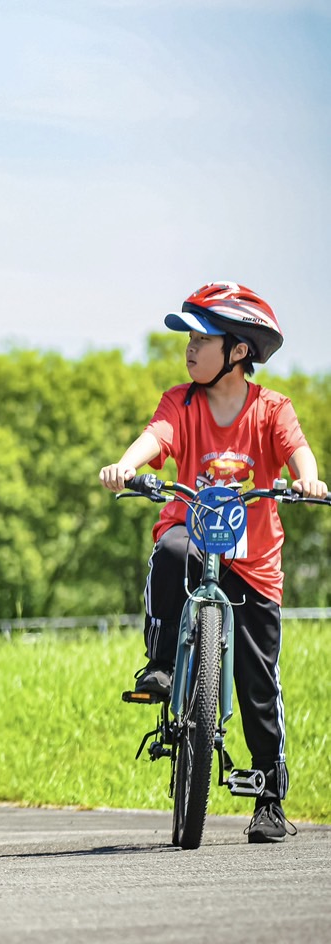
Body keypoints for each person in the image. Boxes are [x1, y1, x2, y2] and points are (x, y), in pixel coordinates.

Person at [99, 282, 326, 843]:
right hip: (194, 536)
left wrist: (308, 479)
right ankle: (160, 662)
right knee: (169, 549)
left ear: (239, 350)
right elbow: (156, 436)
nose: (190, 348)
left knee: (257, 682)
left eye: (203, 338)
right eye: (189, 338)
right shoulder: (182, 400)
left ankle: (269, 797)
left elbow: (297, 450)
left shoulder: (272, 409)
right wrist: (125, 465)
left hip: (253, 560)